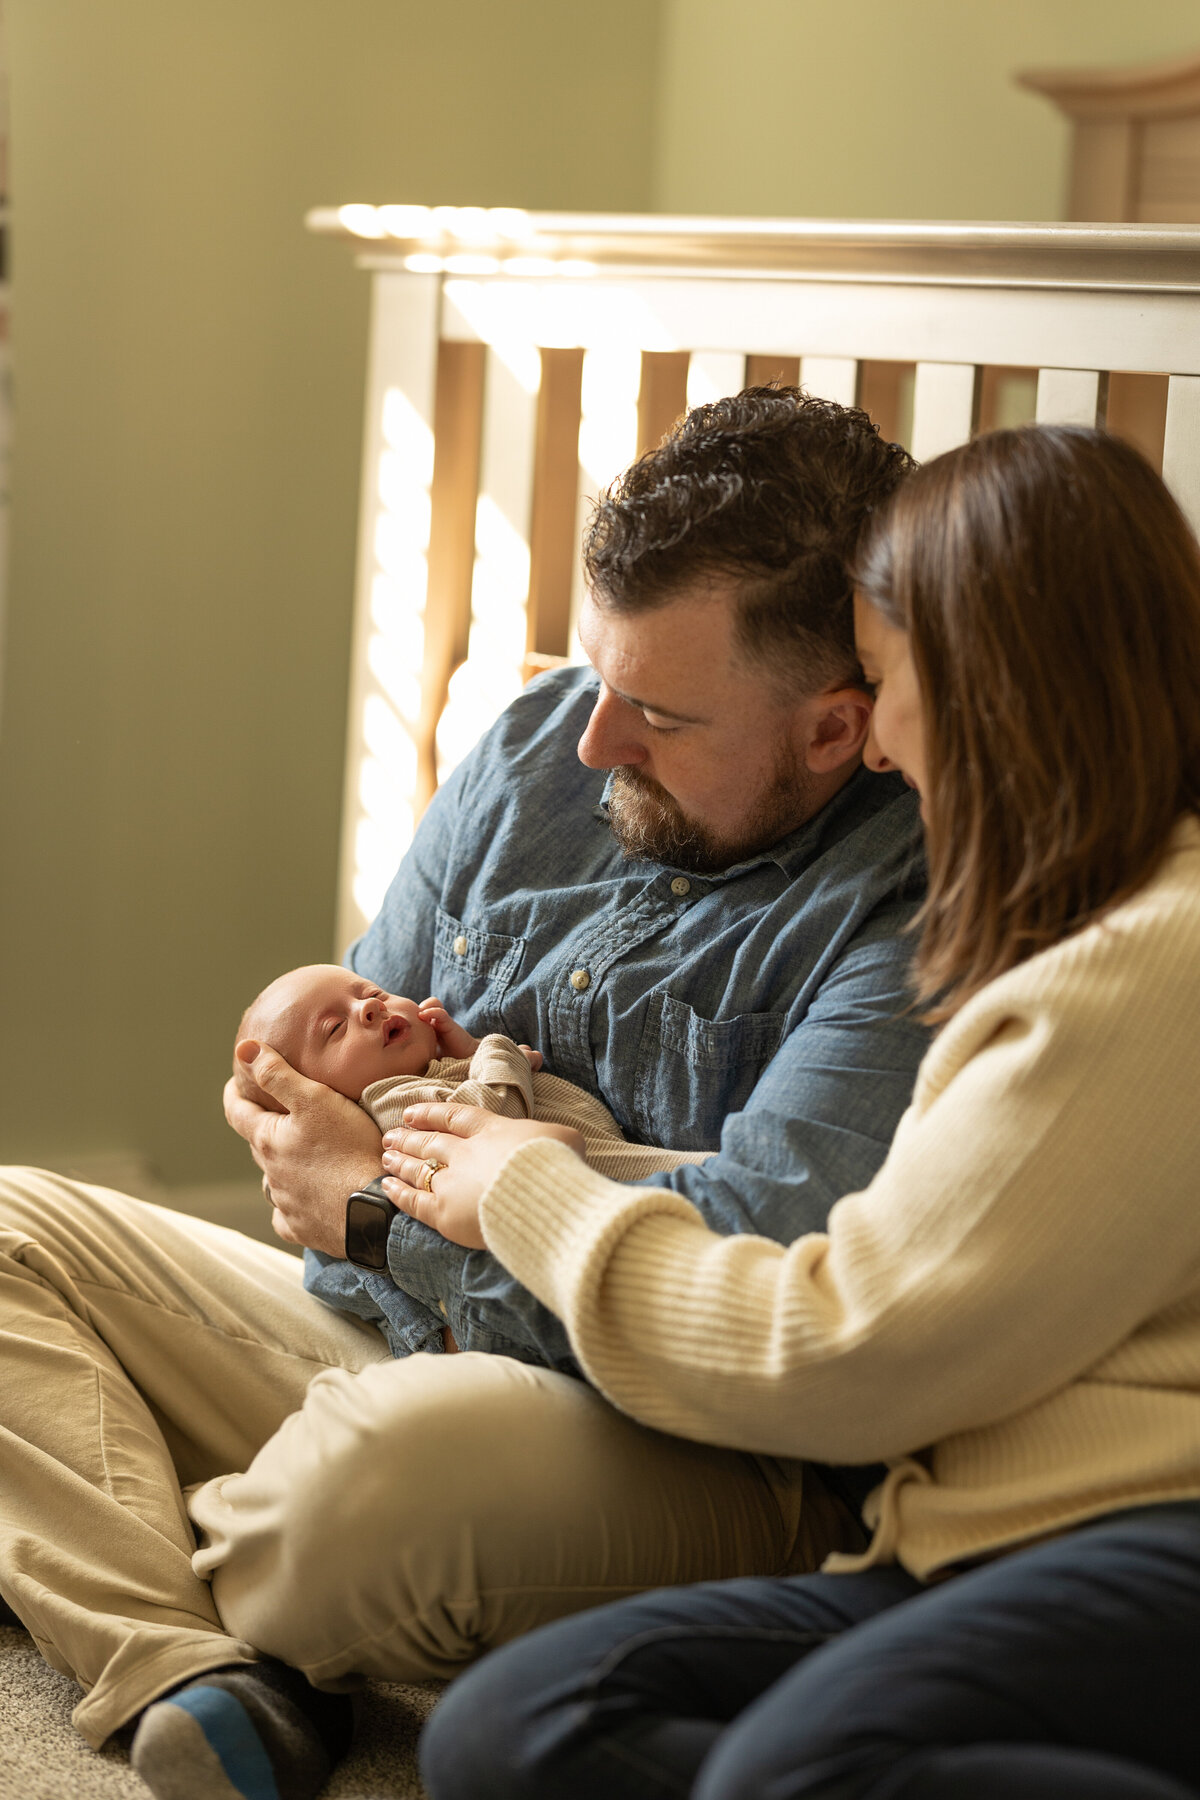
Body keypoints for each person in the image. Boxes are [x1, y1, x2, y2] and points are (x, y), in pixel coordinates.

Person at [0, 389, 924, 1800]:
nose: (593, 742)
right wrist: (314, 1145)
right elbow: (327, 1106)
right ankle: (183, 1666)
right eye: (597, 672)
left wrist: (382, 1222)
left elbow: (744, 1300)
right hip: (389, 1338)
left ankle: (87, 1526)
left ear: (831, 728)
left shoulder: (915, 893)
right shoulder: (533, 747)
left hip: (683, 1440)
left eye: (661, 715)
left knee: (367, 1488)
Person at [385, 424, 1200, 1800]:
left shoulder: (1149, 965)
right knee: (508, 1727)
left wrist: (526, 1187)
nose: (873, 740)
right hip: (946, 1541)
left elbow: (841, 1345)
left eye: (886, 684)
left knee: (792, 1770)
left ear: (996, 691)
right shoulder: (1064, 936)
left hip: (1134, 1531)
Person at [242, 963, 705, 1364]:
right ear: (318, 1101)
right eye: (334, 1029)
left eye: (373, 993)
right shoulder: (394, 1107)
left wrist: (464, 1055)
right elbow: (500, 1135)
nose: (369, 1008)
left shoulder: (421, 1083)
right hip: (618, 1190)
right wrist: (497, 1054)